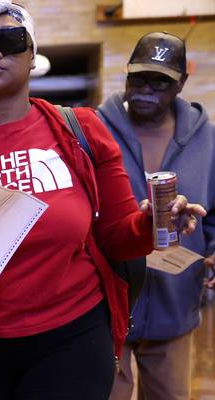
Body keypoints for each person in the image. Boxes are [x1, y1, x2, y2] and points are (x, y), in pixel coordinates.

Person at [0, 2, 207, 398]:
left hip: (74, 338)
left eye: (8, 41)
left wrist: (154, 224)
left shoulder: (82, 132)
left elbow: (117, 236)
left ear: (32, 56)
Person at [96, 31, 215, 400]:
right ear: (126, 75)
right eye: (139, 77)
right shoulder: (94, 133)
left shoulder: (208, 141)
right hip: (104, 303)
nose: (147, 89)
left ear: (181, 84)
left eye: (161, 81)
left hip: (174, 303)